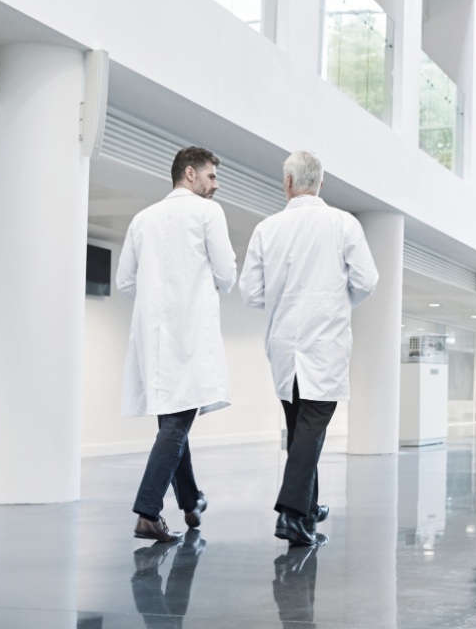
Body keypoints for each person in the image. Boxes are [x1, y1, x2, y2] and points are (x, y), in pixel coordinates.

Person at [239, 150, 378, 546]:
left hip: (285, 346)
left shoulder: (267, 228)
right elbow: (367, 281)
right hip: (325, 344)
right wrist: (337, 303)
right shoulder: (343, 223)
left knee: (300, 430)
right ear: (321, 183)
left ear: (287, 182)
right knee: (310, 430)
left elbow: (250, 292)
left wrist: (282, 302)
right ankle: (291, 514)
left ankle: (309, 508)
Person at [118, 146, 236, 544]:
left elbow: (125, 281)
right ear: (190, 173)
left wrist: (155, 302)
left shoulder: (142, 218)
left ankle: (190, 500)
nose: (216, 185)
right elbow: (226, 273)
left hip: (153, 337)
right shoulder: (207, 213)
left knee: (173, 420)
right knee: (177, 423)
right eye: (211, 176)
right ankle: (147, 512)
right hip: (190, 332)